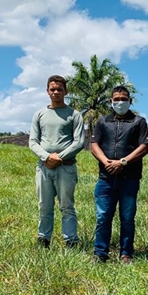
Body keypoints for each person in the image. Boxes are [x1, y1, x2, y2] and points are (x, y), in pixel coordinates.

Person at [90, 86, 148, 264]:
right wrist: (106, 161)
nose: (120, 102)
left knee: (127, 217)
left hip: (129, 178)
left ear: (130, 101)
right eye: (116, 99)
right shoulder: (103, 121)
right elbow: (94, 144)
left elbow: (144, 147)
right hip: (105, 178)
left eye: (124, 99)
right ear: (111, 101)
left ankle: (126, 253)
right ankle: (100, 252)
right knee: (103, 217)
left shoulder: (139, 122)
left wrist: (123, 162)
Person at [29, 75, 84, 248]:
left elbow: (79, 142)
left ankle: (71, 241)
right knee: (44, 205)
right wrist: (46, 157)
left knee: (67, 206)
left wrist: (59, 157)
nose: (56, 92)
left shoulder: (74, 115)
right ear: (47, 91)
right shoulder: (39, 114)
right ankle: (43, 239)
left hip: (66, 168)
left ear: (65, 92)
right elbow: (32, 141)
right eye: (52, 89)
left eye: (59, 89)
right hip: (43, 167)